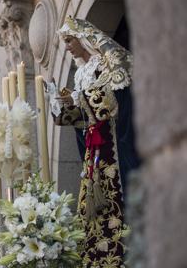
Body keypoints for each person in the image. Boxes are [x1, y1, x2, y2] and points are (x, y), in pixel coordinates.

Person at [44, 16, 139, 267]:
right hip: (95, 152)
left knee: (116, 199)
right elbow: (83, 117)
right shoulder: (82, 74)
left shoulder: (104, 64)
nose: (67, 46)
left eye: (69, 40)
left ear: (84, 38)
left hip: (113, 148)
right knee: (95, 206)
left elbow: (114, 101)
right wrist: (63, 106)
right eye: (64, 41)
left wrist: (79, 99)